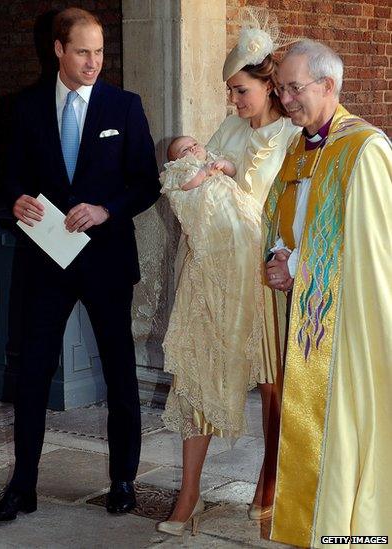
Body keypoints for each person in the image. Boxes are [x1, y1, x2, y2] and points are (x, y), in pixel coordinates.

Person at [0, 7, 160, 522]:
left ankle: (123, 480)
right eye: (82, 51)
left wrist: (107, 210)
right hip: (44, 261)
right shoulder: (21, 108)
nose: (93, 62)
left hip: (106, 261)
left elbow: (145, 182)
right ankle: (23, 487)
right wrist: (14, 199)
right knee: (32, 373)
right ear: (58, 50)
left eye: (99, 51)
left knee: (121, 372)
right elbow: (2, 179)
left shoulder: (124, 107)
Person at [156, 8, 300, 537]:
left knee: (273, 387)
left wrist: (220, 172)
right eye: (230, 93)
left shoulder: (291, 133)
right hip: (219, 272)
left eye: (241, 91)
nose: (234, 102)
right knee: (197, 375)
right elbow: (200, 175)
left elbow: (268, 198)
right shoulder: (230, 127)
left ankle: (270, 482)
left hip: (265, 275)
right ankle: (188, 493)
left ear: (267, 85)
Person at [263, 39, 392, 547]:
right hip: (308, 312)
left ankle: (353, 535)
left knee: (345, 428)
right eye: (281, 89)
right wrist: (277, 256)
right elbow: (286, 213)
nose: (286, 99)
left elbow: (374, 248)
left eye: (295, 88)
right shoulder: (299, 144)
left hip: (350, 323)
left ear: (329, 85)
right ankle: (317, 528)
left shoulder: (367, 149)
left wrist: (298, 266)